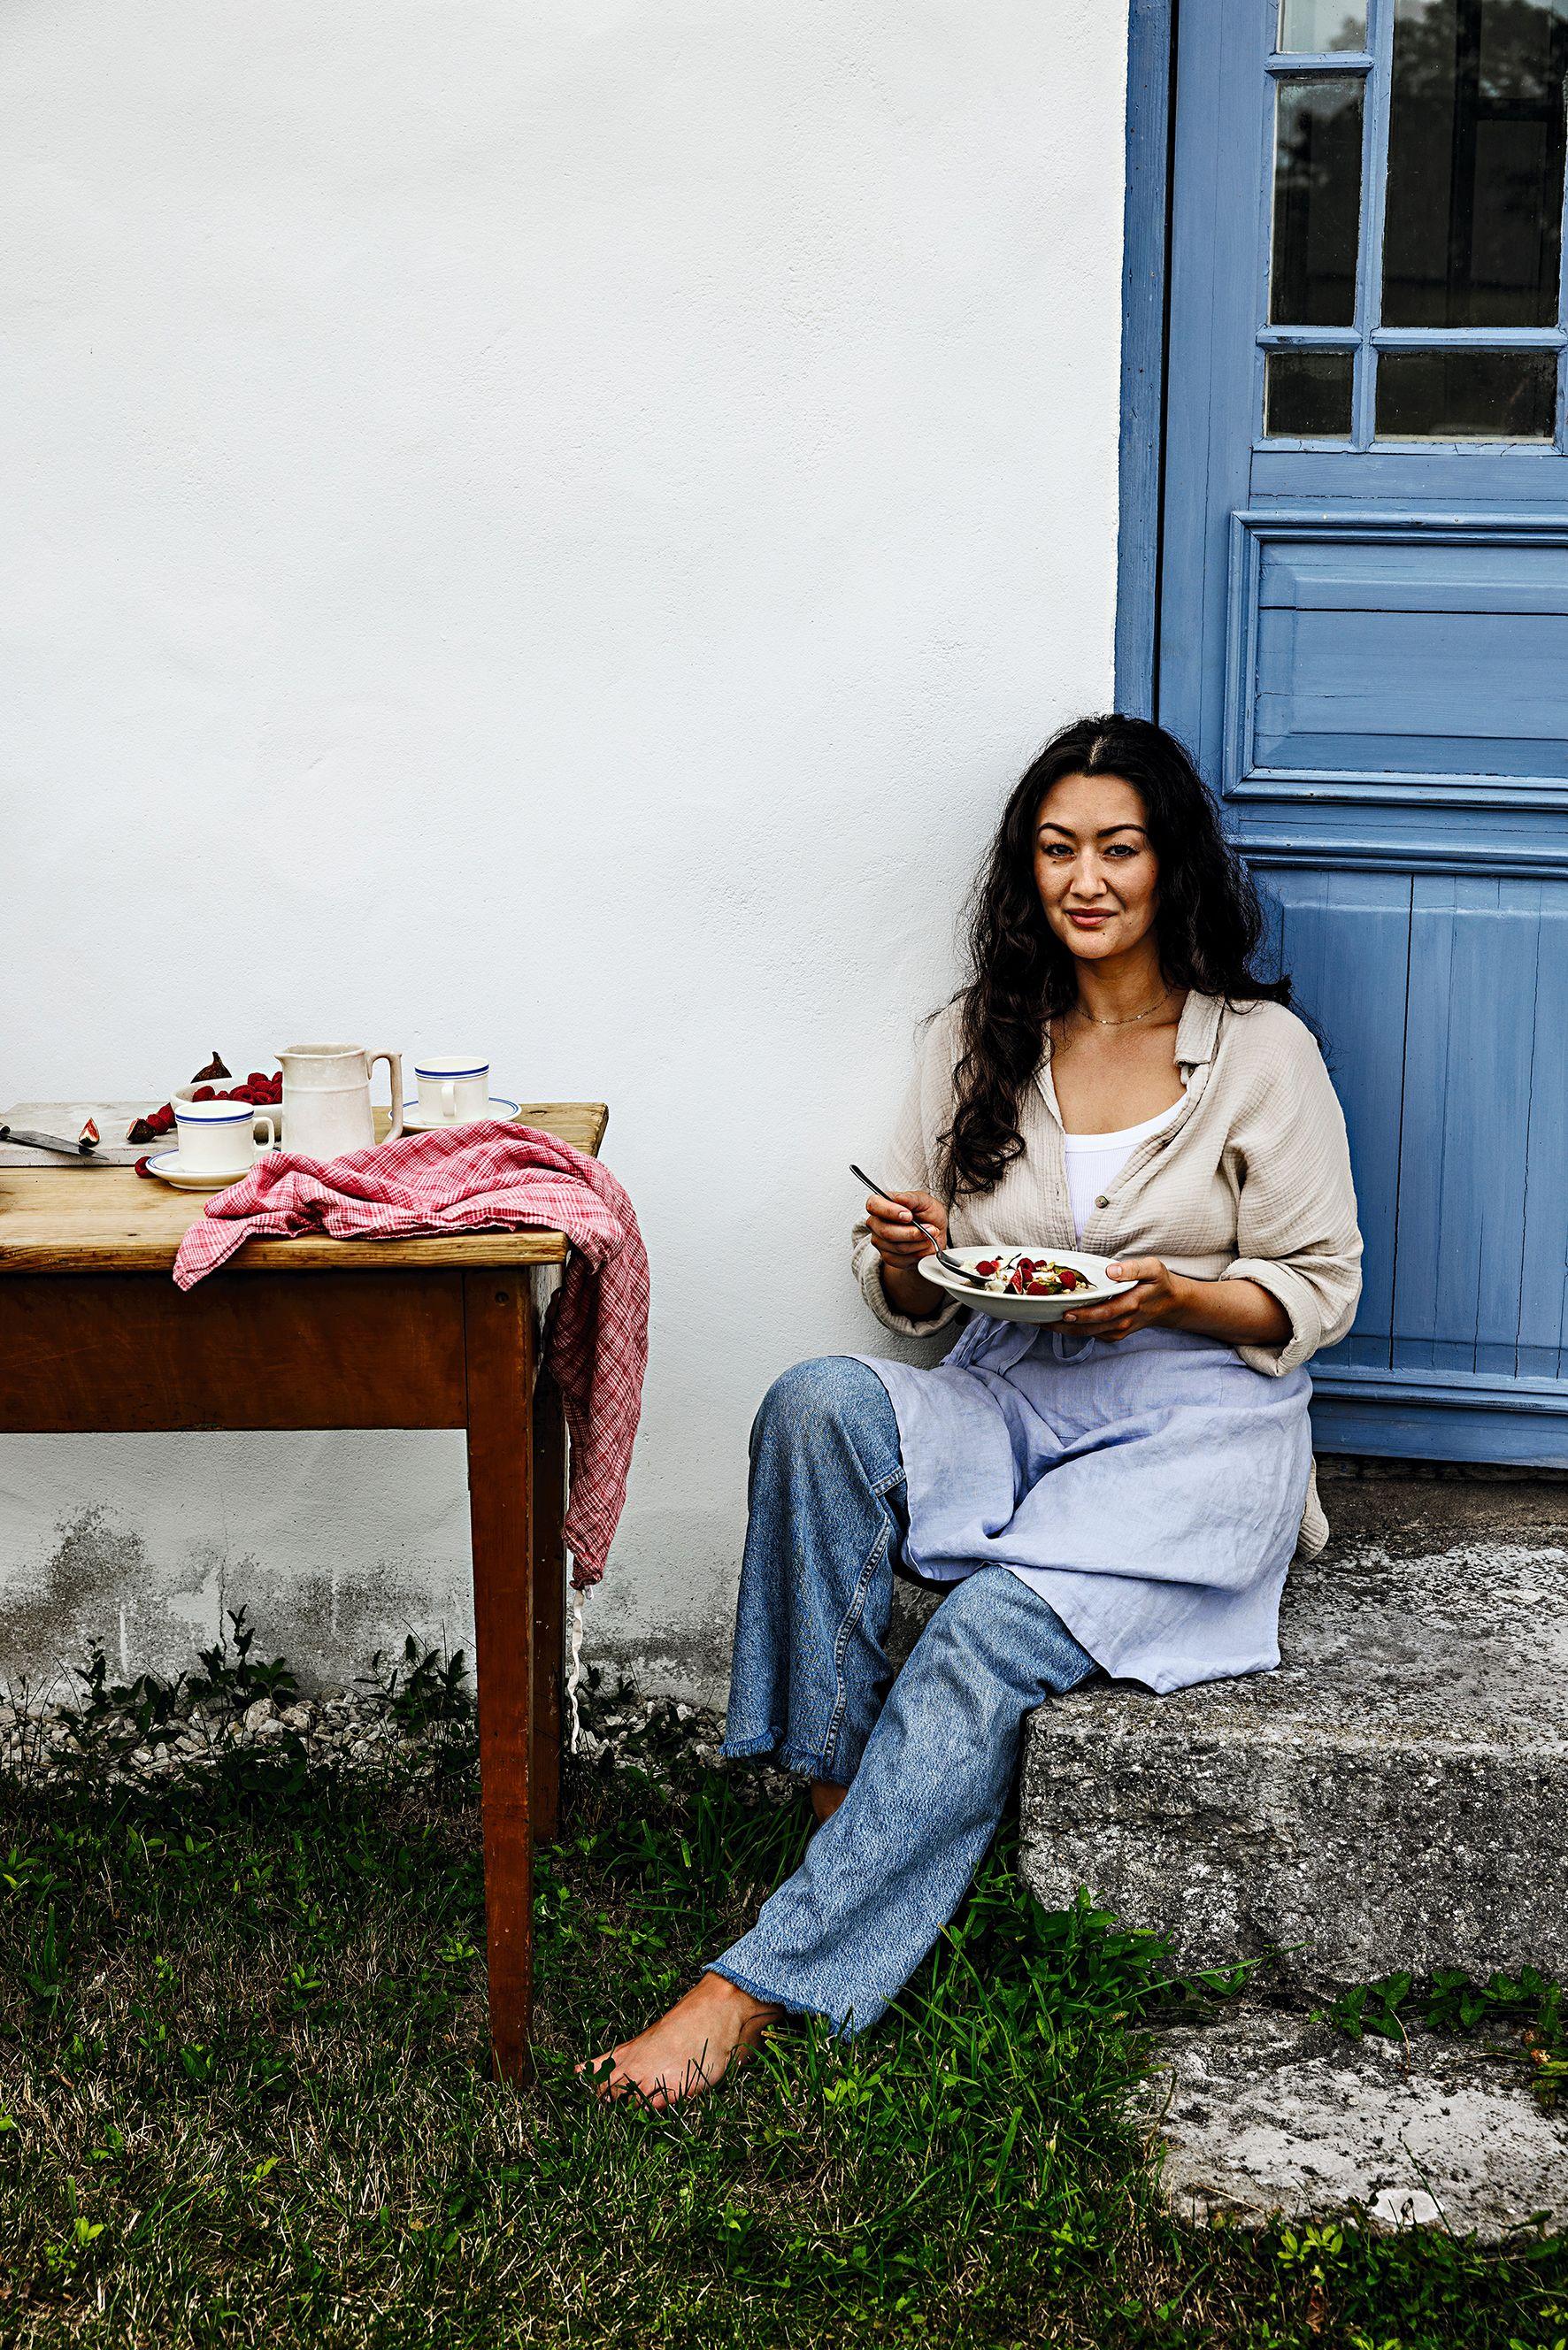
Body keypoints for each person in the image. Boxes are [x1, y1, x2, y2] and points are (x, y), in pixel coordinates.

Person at [582, 712, 1362, 2108]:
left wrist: (1173, 1296)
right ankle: (845, 1818)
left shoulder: (1261, 1052)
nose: (1089, 878)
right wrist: (900, 1254)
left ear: (1171, 864)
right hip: (1009, 1382)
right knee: (818, 1404)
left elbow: (1314, 1287)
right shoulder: (973, 1039)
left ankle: (752, 1986)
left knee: (987, 1632)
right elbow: (925, 1288)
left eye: (1119, 847)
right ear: (1028, 871)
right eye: (1058, 849)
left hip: (1197, 1422)